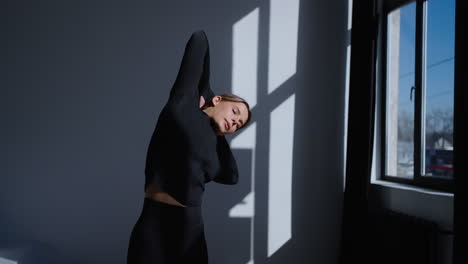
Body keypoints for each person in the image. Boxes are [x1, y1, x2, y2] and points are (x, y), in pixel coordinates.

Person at [126, 30, 251, 264]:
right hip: (153, 220)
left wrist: (222, 131)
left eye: (239, 124)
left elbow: (232, 175)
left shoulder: (217, 149)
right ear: (218, 99)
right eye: (235, 112)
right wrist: (206, 91)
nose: (235, 121)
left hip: (190, 228)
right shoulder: (183, 106)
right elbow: (199, 39)